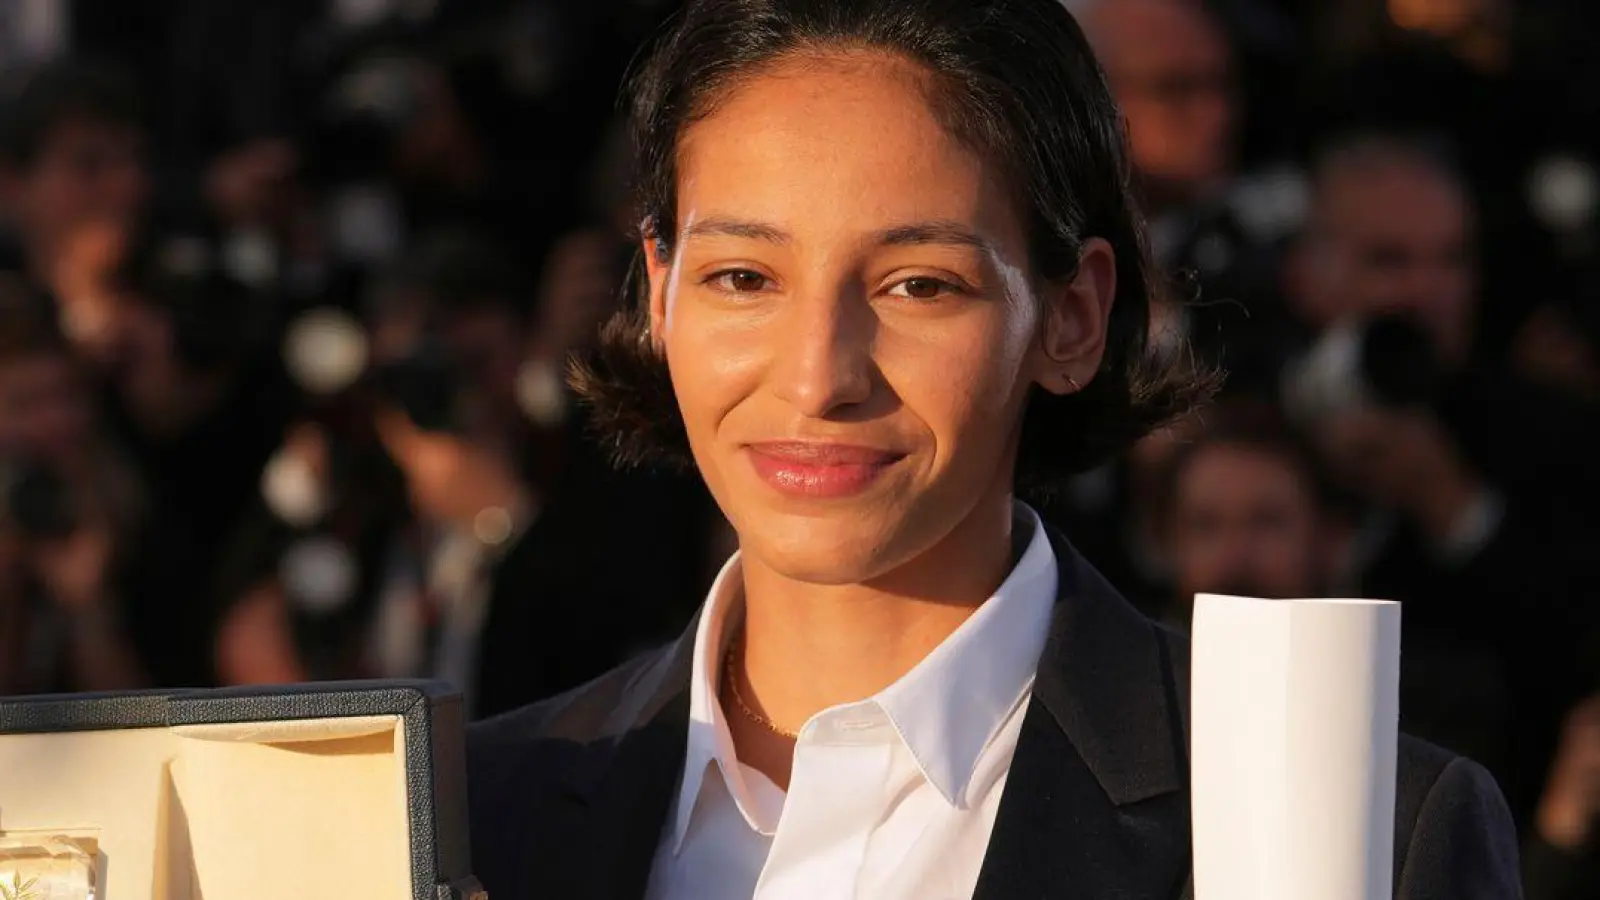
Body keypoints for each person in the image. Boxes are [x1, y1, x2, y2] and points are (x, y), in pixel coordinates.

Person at [466, 2, 1521, 898]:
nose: (818, 377)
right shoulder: (475, 813)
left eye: (919, 285)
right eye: (743, 278)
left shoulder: (1365, 834)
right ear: (659, 294)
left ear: (1071, 318)